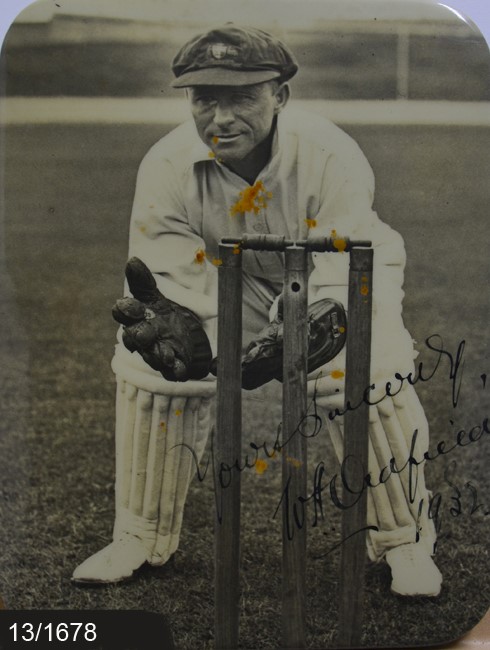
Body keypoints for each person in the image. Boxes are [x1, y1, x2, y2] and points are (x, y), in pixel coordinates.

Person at [72, 24, 442, 597]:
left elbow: (341, 273)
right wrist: (185, 329)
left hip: (334, 276)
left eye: (242, 97)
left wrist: (307, 330)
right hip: (227, 281)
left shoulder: (329, 155)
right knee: (153, 366)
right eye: (205, 99)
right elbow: (162, 277)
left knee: (360, 368)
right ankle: (139, 536)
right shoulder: (166, 166)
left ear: (280, 97)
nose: (221, 118)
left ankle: (405, 541)